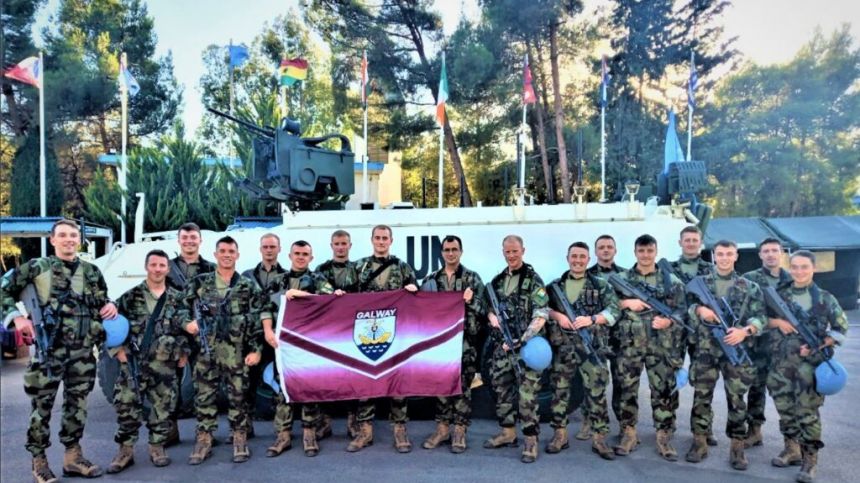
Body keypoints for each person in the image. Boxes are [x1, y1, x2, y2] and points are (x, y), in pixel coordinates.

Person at [1, 219, 117, 482]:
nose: (69, 239)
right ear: (52, 240)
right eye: (62, 235)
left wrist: (111, 305)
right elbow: (4, 291)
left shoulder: (91, 271)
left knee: (78, 406)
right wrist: (16, 318)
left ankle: (72, 458)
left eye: (73, 235)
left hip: (83, 353)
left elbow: (102, 299)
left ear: (79, 240)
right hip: (49, 351)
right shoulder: (36, 267)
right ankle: (39, 461)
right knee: (41, 407)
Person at [182, 236, 268, 465]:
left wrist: (256, 350)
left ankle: (239, 437)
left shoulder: (247, 285)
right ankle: (204, 439)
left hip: (237, 352)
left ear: (237, 255)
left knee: (238, 397)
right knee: (204, 397)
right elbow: (178, 307)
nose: (227, 254)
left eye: (231, 251)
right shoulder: (201, 283)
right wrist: (186, 324)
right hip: (206, 351)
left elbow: (259, 317)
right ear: (215, 254)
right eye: (223, 251)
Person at [767, 250, 848, 483]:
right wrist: (778, 322)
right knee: (785, 411)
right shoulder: (778, 294)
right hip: (781, 366)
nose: (799, 271)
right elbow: (760, 319)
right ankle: (791, 450)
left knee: (808, 414)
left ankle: (810, 460)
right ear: (789, 268)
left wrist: (819, 345)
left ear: (813, 268)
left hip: (809, 370)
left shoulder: (825, 298)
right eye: (795, 267)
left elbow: (841, 330)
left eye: (804, 267)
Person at [106, 249, 190, 473]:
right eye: (153, 265)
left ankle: (157, 446)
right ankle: (125, 451)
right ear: (146, 267)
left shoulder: (176, 298)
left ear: (167, 269)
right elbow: (110, 324)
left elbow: (184, 328)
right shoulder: (130, 296)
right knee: (126, 405)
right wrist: (117, 350)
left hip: (165, 364)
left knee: (162, 407)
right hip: (135, 362)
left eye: (162, 265)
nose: (157, 269)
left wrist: (183, 353)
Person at [685, 240, 765, 470]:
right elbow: (686, 307)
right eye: (720, 254)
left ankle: (737, 447)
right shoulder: (702, 283)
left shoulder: (750, 287)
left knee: (737, 399)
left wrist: (745, 331)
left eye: (729, 253)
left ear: (736, 256)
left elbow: (760, 317)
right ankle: (699, 442)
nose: (725, 257)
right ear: (714, 256)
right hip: (706, 349)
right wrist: (700, 310)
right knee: (701, 396)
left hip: (735, 348)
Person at [611, 234, 687, 461]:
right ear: (635, 252)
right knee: (627, 391)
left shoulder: (670, 281)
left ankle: (663, 437)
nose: (645, 255)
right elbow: (605, 304)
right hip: (629, 346)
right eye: (641, 251)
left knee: (663, 392)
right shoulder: (622, 278)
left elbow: (683, 311)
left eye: (649, 251)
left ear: (656, 251)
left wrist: (668, 321)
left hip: (660, 346)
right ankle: (628, 433)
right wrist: (626, 302)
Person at [545, 241, 620, 460]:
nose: (578, 260)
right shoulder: (555, 286)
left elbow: (614, 309)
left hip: (592, 347)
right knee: (559, 392)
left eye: (582, 257)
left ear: (588, 260)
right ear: (568, 258)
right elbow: (541, 307)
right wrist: (557, 316)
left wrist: (592, 318)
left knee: (596, 393)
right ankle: (560, 435)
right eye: (574, 256)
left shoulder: (600, 285)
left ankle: (600, 439)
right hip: (564, 348)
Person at [349, 225, 418, 453]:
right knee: (366, 383)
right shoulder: (359, 267)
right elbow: (345, 299)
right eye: (377, 238)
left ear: (391, 240)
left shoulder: (401, 267)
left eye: (384, 238)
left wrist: (412, 289)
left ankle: (400, 430)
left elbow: (416, 296)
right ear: (372, 240)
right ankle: (365, 431)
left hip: (395, 335)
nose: (381, 241)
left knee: (398, 383)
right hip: (365, 335)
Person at [263, 240, 335, 458]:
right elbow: (265, 308)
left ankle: (309, 433)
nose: (301, 257)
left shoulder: (318, 279)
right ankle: (283, 435)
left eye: (305, 254)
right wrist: (268, 332)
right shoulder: (277, 281)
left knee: (308, 388)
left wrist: (299, 294)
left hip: (308, 345)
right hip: (282, 346)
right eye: (297, 253)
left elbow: (330, 300)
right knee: (283, 389)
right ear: (290, 255)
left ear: (311, 258)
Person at [483, 235, 549, 464]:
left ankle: (530, 439)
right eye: (507, 252)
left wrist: (522, 339)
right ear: (503, 252)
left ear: (523, 251)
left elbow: (541, 314)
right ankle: (508, 432)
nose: (511, 255)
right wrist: (493, 318)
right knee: (500, 386)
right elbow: (489, 308)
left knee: (527, 394)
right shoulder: (498, 281)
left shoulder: (533, 280)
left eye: (515, 251)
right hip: (502, 346)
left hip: (526, 346)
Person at [419, 235, 486, 454]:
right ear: (442, 253)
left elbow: (485, 310)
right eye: (447, 249)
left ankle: (459, 430)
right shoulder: (431, 280)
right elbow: (421, 310)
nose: (450, 253)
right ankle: (442, 428)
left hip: (465, 342)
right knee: (441, 386)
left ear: (461, 251)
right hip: (439, 343)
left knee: (462, 387)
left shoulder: (472, 278)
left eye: (454, 249)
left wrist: (470, 301)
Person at [164, 222, 215, 446]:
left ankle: (205, 432)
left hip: (202, 331)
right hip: (173, 332)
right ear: (179, 240)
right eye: (185, 238)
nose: (189, 241)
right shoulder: (166, 267)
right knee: (169, 383)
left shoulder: (211, 269)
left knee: (204, 384)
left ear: (200, 240)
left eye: (193, 237)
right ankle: (170, 430)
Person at [666, 225, 716, 447]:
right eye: (687, 240)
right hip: (674, 330)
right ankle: (667, 425)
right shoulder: (668, 269)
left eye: (695, 240)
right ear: (680, 242)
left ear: (700, 243)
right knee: (670, 377)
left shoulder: (711, 270)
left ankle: (704, 428)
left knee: (703, 380)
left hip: (702, 333)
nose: (691, 243)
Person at [741, 237, 791, 448]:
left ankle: (792, 443)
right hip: (757, 346)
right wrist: (775, 322)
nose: (770, 254)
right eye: (766, 251)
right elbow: (742, 314)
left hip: (786, 348)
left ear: (781, 253)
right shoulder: (748, 280)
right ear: (760, 255)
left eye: (774, 250)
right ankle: (754, 431)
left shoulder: (793, 278)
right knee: (756, 389)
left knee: (787, 394)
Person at [314, 229, 361, 439]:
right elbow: (314, 294)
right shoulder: (321, 270)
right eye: (337, 243)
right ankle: (325, 422)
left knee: (353, 378)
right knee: (325, 377)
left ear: (350, 245)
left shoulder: (359, 269)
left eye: (344, 243)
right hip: (328, 332)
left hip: (353, 332)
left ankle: (353, 423)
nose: (341, 247)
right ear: (331, 245)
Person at [240, 233, 287, 440]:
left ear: (279, 249)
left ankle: (281, 430)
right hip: (251, 336)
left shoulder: (287, 276)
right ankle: (245, 428)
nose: (269, 250)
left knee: (279, 382)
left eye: (273, 247)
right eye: (266, 247)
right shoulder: (246, 276)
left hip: (276, 336)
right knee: (245, 383)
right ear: (260, 249)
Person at [583, 234, 626, 441]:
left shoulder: (626, 276)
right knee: (591, 382)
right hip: (594, 338)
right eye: (601, 247)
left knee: (621, 382)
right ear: (596, 252)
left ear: (615, 251)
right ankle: (587, 422)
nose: (606, 250)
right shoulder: (585, 275)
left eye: (610, 247)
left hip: (620, 337)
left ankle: (623, 426)